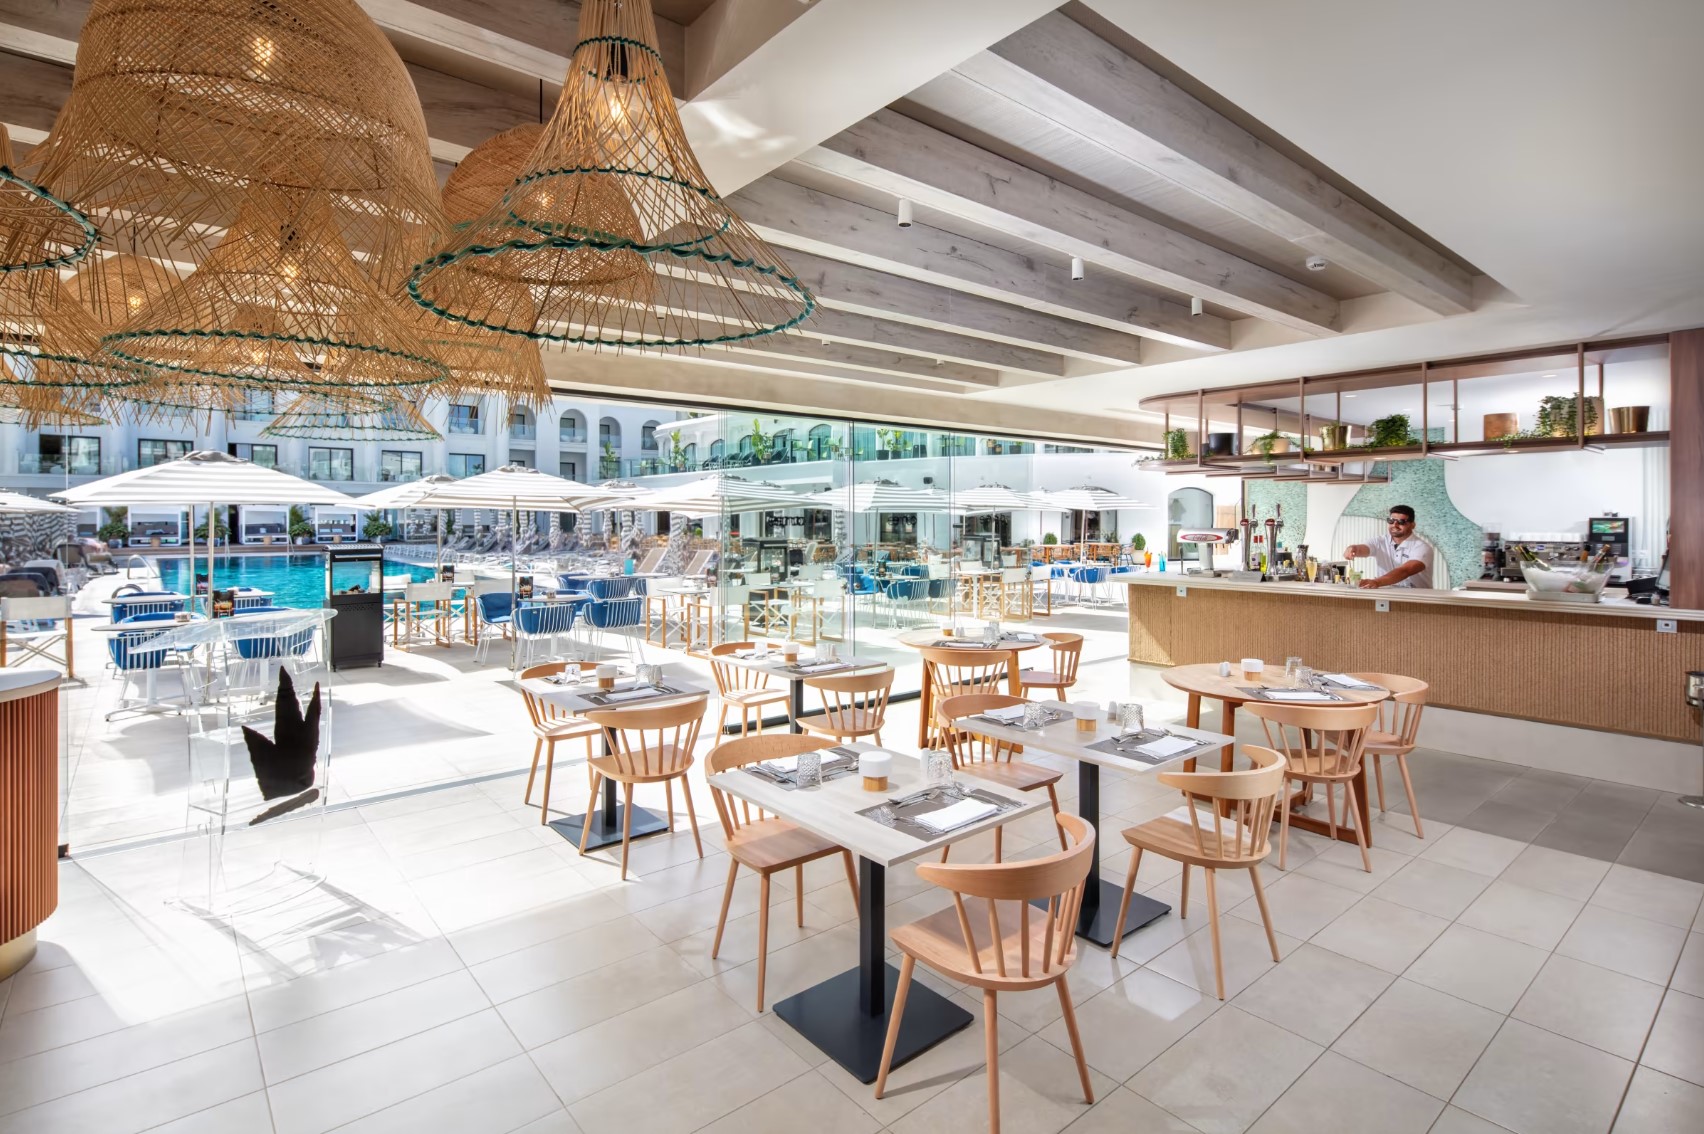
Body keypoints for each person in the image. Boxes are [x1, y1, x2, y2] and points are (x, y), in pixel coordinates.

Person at [1344, 505, 1435, 588]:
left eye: (1401, 522)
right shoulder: (1379, 541)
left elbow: (1405, 571)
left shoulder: (1422, 548)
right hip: (1386, 594)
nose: (1395, 525)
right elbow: (1363, 548)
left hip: (1417, 597)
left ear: (1412, 525)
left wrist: (1377, 582)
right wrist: (1353, 549)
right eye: (1391, 521)